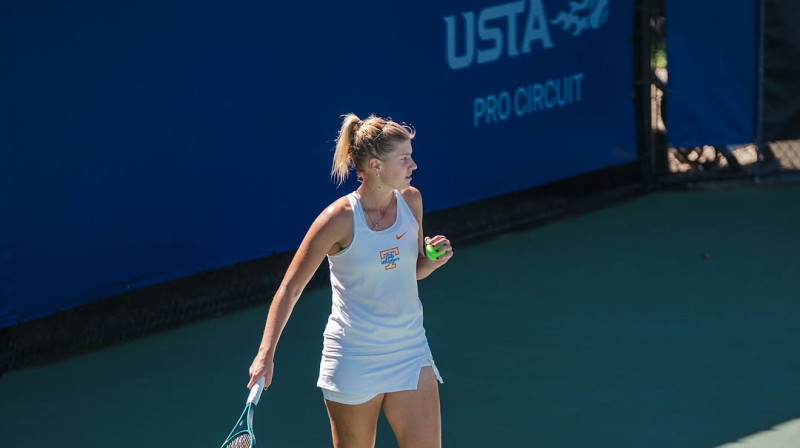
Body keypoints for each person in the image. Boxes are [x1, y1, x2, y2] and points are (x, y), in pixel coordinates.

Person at [247, 113, 453, 448]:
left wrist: (432, 261)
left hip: (409, 349)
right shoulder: (337, 220)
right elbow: (291, 287)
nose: (413, 165)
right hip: (353, 356)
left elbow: (411, 270)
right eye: (403, 159)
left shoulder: (411, 201)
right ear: (375, 166)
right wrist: (265, 353)